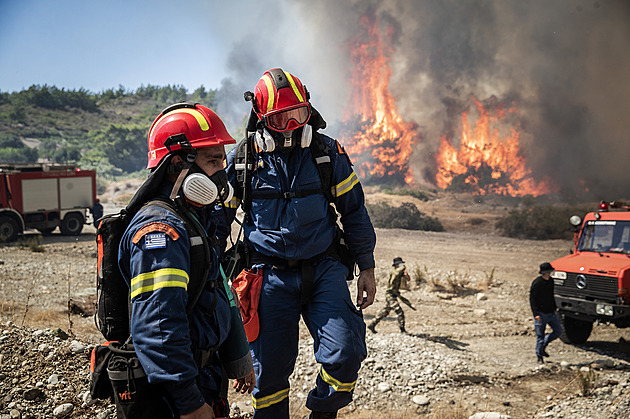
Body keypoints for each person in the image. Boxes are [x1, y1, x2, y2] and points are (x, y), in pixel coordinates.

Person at [220, 68, 377, 419]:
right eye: (280, 119)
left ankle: (322, 413)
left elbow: (354, 211)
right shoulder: (244, 161)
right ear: (261, 118)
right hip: (267, 277)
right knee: (269, 376)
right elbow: (217, 223)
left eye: (299, 115)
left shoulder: (326, 153)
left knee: (346, 354)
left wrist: (366, 266)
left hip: (324, 270)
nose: (292, 126)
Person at [118, 103, 255, 418]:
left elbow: (219, 288)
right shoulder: (161, 231)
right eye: (213, 160)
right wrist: (190, 403)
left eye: (223, 158)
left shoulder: (193, 218)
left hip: (202, 377)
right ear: (179, 163)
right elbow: (159, 325)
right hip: (173, 395)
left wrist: (237, 356)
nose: (222, 170)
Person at [529, 262, 563, 365]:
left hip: (551, 313)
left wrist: (555, 308)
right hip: (540, 314)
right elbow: (532, 299)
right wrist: (536, 314)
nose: (549, 273)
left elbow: (551, 295)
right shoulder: (537, 283)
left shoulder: (551, 281)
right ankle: (539, 357)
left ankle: (544, 345)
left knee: (558, 331)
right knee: (540, 336)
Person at [368, 257, 411, 334]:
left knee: (385, 311)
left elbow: (408, 279)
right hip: (390, 294)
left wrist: (406, 275)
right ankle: (402, 329)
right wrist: (403, 268)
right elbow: (396, 274)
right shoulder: (394, 272)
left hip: (394, 294)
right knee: (399, 311)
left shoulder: (400, 272)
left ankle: (372, 324)